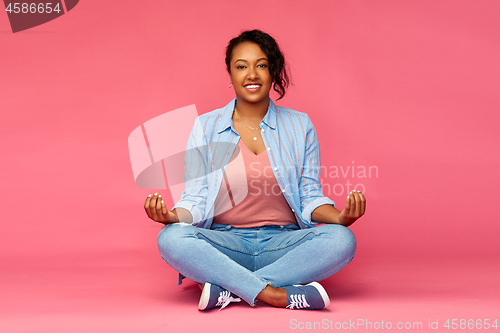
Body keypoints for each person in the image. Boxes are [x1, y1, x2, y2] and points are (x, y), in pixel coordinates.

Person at [144, 30, 366, 311]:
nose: (252, 74)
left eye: (261, 65)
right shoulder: (206, 126)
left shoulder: (300, 125)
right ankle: (275, 294)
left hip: (283, 244)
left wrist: (342, 217)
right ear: (230, 74)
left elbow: (310, 196)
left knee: (341, 240)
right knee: (171, 238)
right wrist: (171, 216)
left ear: (273, 72)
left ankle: (230, 289)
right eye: (241, 66)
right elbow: (196, 199)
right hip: (226, 243)